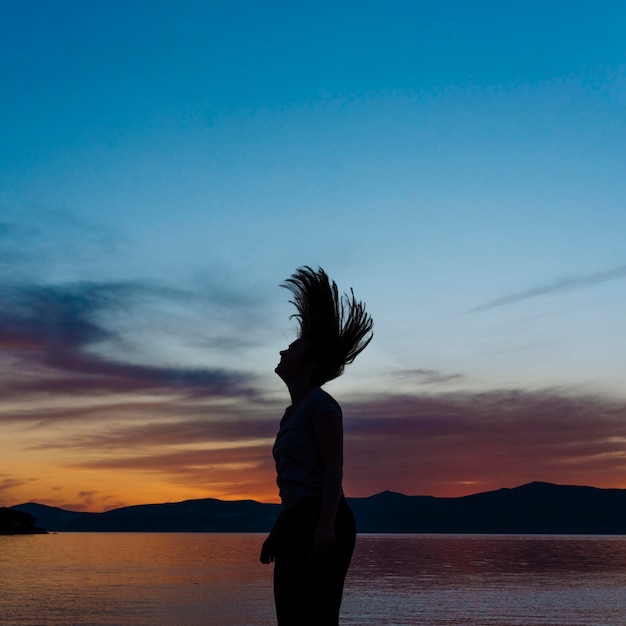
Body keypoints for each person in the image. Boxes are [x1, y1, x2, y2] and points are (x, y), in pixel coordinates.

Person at [260, 266, 374, 625]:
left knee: (317, 619)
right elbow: (293, 481)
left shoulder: (322, 406)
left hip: (322, 520)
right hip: (297, 519)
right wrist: (277, 532)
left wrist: (325, 526)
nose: (283, 350)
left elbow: (333, 470)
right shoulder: (291, 413)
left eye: (292, 348)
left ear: (307, 364)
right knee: (290, 619)